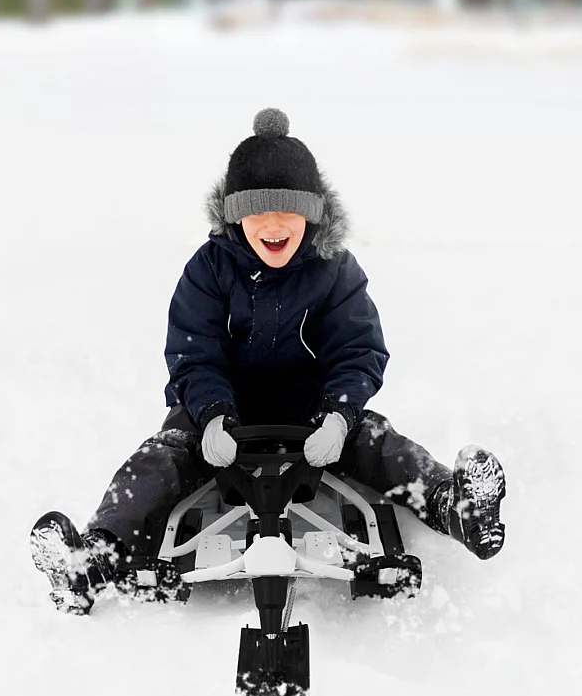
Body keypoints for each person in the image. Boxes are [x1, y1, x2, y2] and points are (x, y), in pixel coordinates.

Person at [29, 108, 506, 614]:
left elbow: (358, 350)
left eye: (289, 213)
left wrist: (340, 417)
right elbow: (195, 353)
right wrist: (211, 416)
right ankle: (94, 556)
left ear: (312, 214)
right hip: (219, 421)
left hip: (312, 416)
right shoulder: (208, 270)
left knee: (379, 443)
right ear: (236, 216)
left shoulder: (335, 270)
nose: (274, 227)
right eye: (259, 213)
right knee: (159, 460)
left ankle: (454, 507)